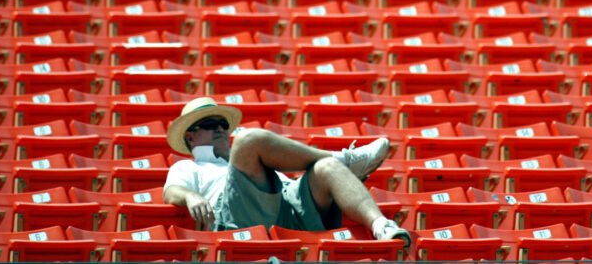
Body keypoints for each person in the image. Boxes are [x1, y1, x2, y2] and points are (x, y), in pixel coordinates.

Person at [163, 96, 409, 246]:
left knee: (326, 168)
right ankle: (346, 159)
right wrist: (189, 196)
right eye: (208, 125)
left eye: (222, 124)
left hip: (286, 203)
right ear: (191, 136)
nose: (219, 129)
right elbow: (171, 191)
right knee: (249, 140)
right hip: (239, 218)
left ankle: (381, 227)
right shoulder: (187, 166)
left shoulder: (242, 158)